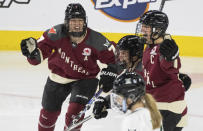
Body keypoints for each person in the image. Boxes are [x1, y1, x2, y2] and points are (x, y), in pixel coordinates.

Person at [20, 3, 118, 131]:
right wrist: (32, 54)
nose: (77, 24)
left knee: (74, 116)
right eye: (73, 21)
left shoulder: (96, 39)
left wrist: (111, 72)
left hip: (86, 80)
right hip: (58, 77)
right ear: (66, 22)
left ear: (85, 22)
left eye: (80, 21)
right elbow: (38, 57)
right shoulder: (56, 33)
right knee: (47, 116)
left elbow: (115, 59)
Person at [136, 10, 188, 131]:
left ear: (157, 30)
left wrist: (171, 57)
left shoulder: (165, 48)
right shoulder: (149, 46)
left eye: (146, 27)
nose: (143, 30)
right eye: (142, 26)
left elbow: (170, 66)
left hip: (167, 106)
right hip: (160, 103)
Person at [95, 72, 162, 131]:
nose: (117, 100)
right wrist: (105, 103)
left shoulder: (132, 119)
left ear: (131, 97)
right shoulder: (151, 114)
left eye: (118, 97)